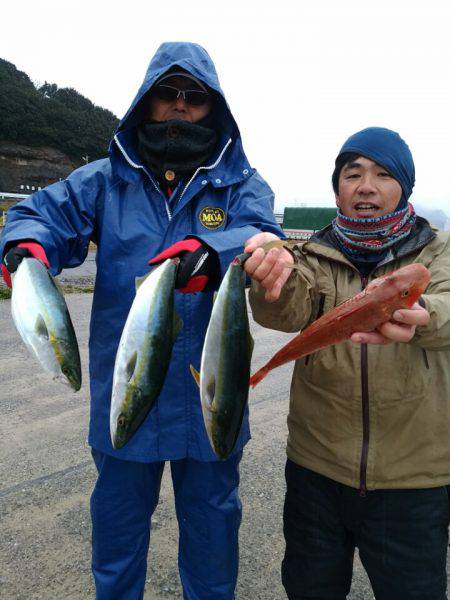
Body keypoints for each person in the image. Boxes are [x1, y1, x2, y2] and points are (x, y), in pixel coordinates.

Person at [0, 42, 283, 599]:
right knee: (117, 534)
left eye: (193, 96)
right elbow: (35, 216)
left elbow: (255, 233)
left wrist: (213, 248)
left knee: (213, 536)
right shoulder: (103, 180)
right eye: (167, 93)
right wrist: (24, 248)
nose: (179, 105)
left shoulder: (243, 186)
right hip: (126, 388)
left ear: (213, 106)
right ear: (146, 101)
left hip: (212, 398)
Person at [243, 127, 450, 599]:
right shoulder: (312, 253)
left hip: (414, 478)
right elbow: (286, 309)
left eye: (382, 174)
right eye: (352, 174)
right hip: (317, 469)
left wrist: (428, 317)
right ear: (338, 187)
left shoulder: (442, 251)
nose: (366, 186)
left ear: (405, 187)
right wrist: (271, 277)